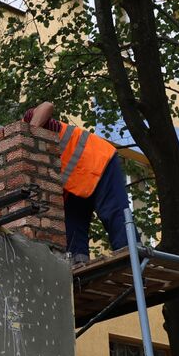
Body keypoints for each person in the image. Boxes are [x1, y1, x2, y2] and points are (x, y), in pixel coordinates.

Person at [24, 101, 130, 264]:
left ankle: (133, 263)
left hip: (98, 160)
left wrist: (29, 135)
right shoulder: (24, 166)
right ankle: (78, 269)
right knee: (71, 227)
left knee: (114, 214)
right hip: (76, 182)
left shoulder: (27, 122)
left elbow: (47, 106)